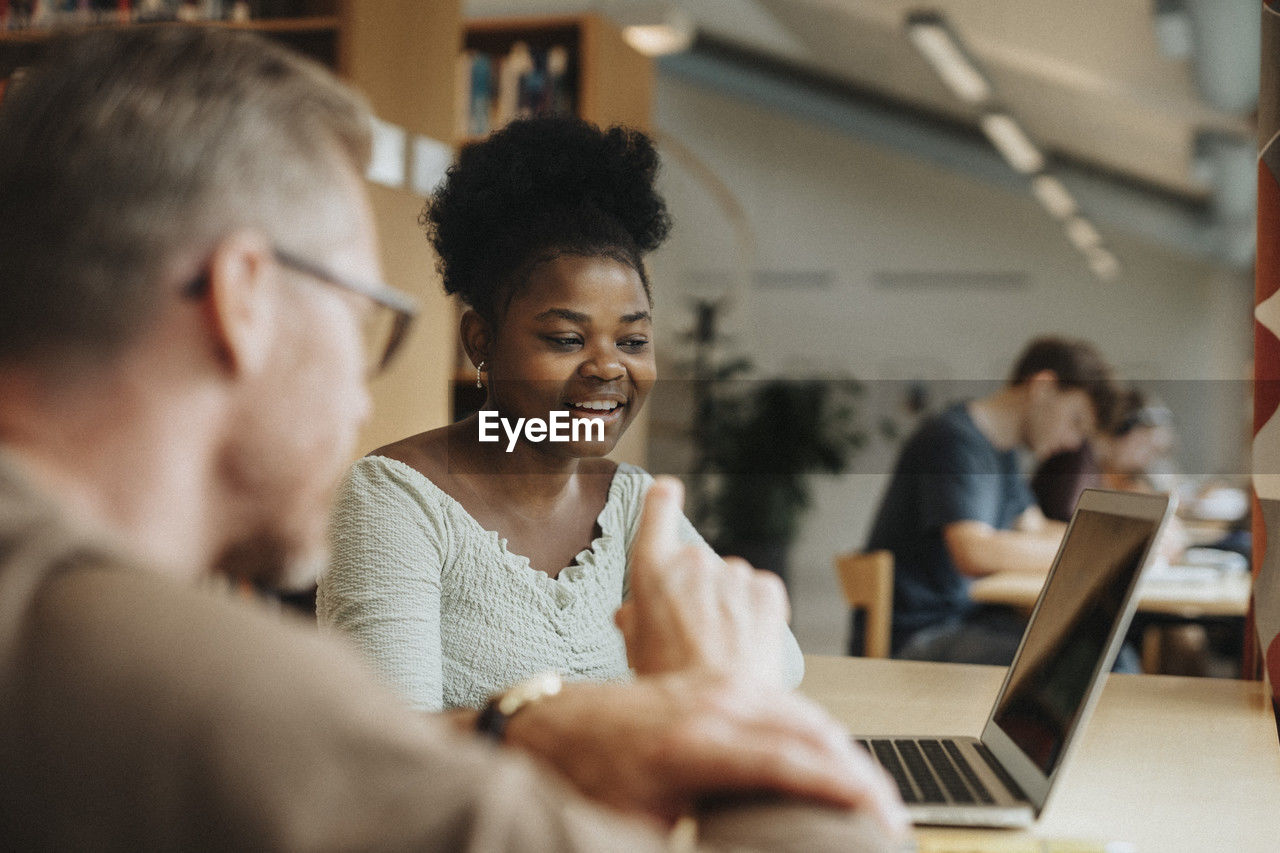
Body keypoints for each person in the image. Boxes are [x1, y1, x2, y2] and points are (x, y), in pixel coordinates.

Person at [0, 25, 908, 850]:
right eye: (364, 319)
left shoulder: (71, 636)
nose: (363, 394)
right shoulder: (208, 693)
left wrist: (519, 722)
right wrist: (726, 705)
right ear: (244, 298)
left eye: (632, 336)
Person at [318, 115, 802, 711]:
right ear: (480, 341)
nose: (607, 368)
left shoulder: (630, 504)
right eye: (567, 340)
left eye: (632, 341)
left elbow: (778, 659)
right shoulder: (396, 499)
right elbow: (393, 750)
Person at [860, 337, 1117, 665]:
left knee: (1098, 649)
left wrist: (1112, 540)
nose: (1072, 442)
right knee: (1082, 664)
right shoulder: (952, 442)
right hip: (921, 634)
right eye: (1076, 421)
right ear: (1043, 387)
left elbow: (1037, 528)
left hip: (969, 621)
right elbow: (974, 552)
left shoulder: (1001, 453)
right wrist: (1098, 551)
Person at [1032, 388, 1175, 521]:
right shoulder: (1078, 456)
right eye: (1144, 446)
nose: (1146, 459)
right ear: (1120, 429)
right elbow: (1072, 520)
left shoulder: (1102, 466)